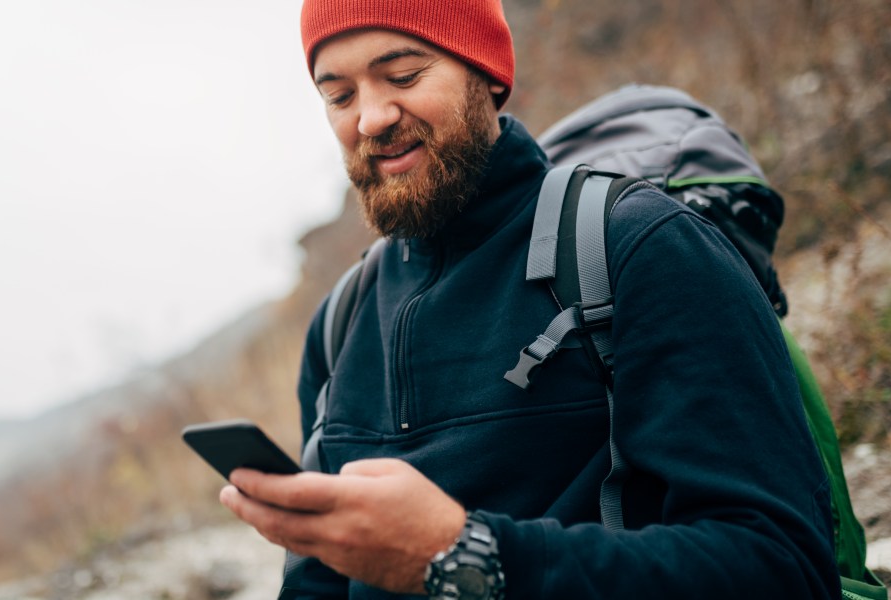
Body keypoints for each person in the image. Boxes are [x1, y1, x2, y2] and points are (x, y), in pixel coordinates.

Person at [219, 1, 842, 598]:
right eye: (340, 95)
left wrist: (467, 557)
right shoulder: (340, 323)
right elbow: (316, 584)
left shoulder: (638, 246)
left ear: (486, 71)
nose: (371, 117)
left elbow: (782, 564)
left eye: (403, 75)